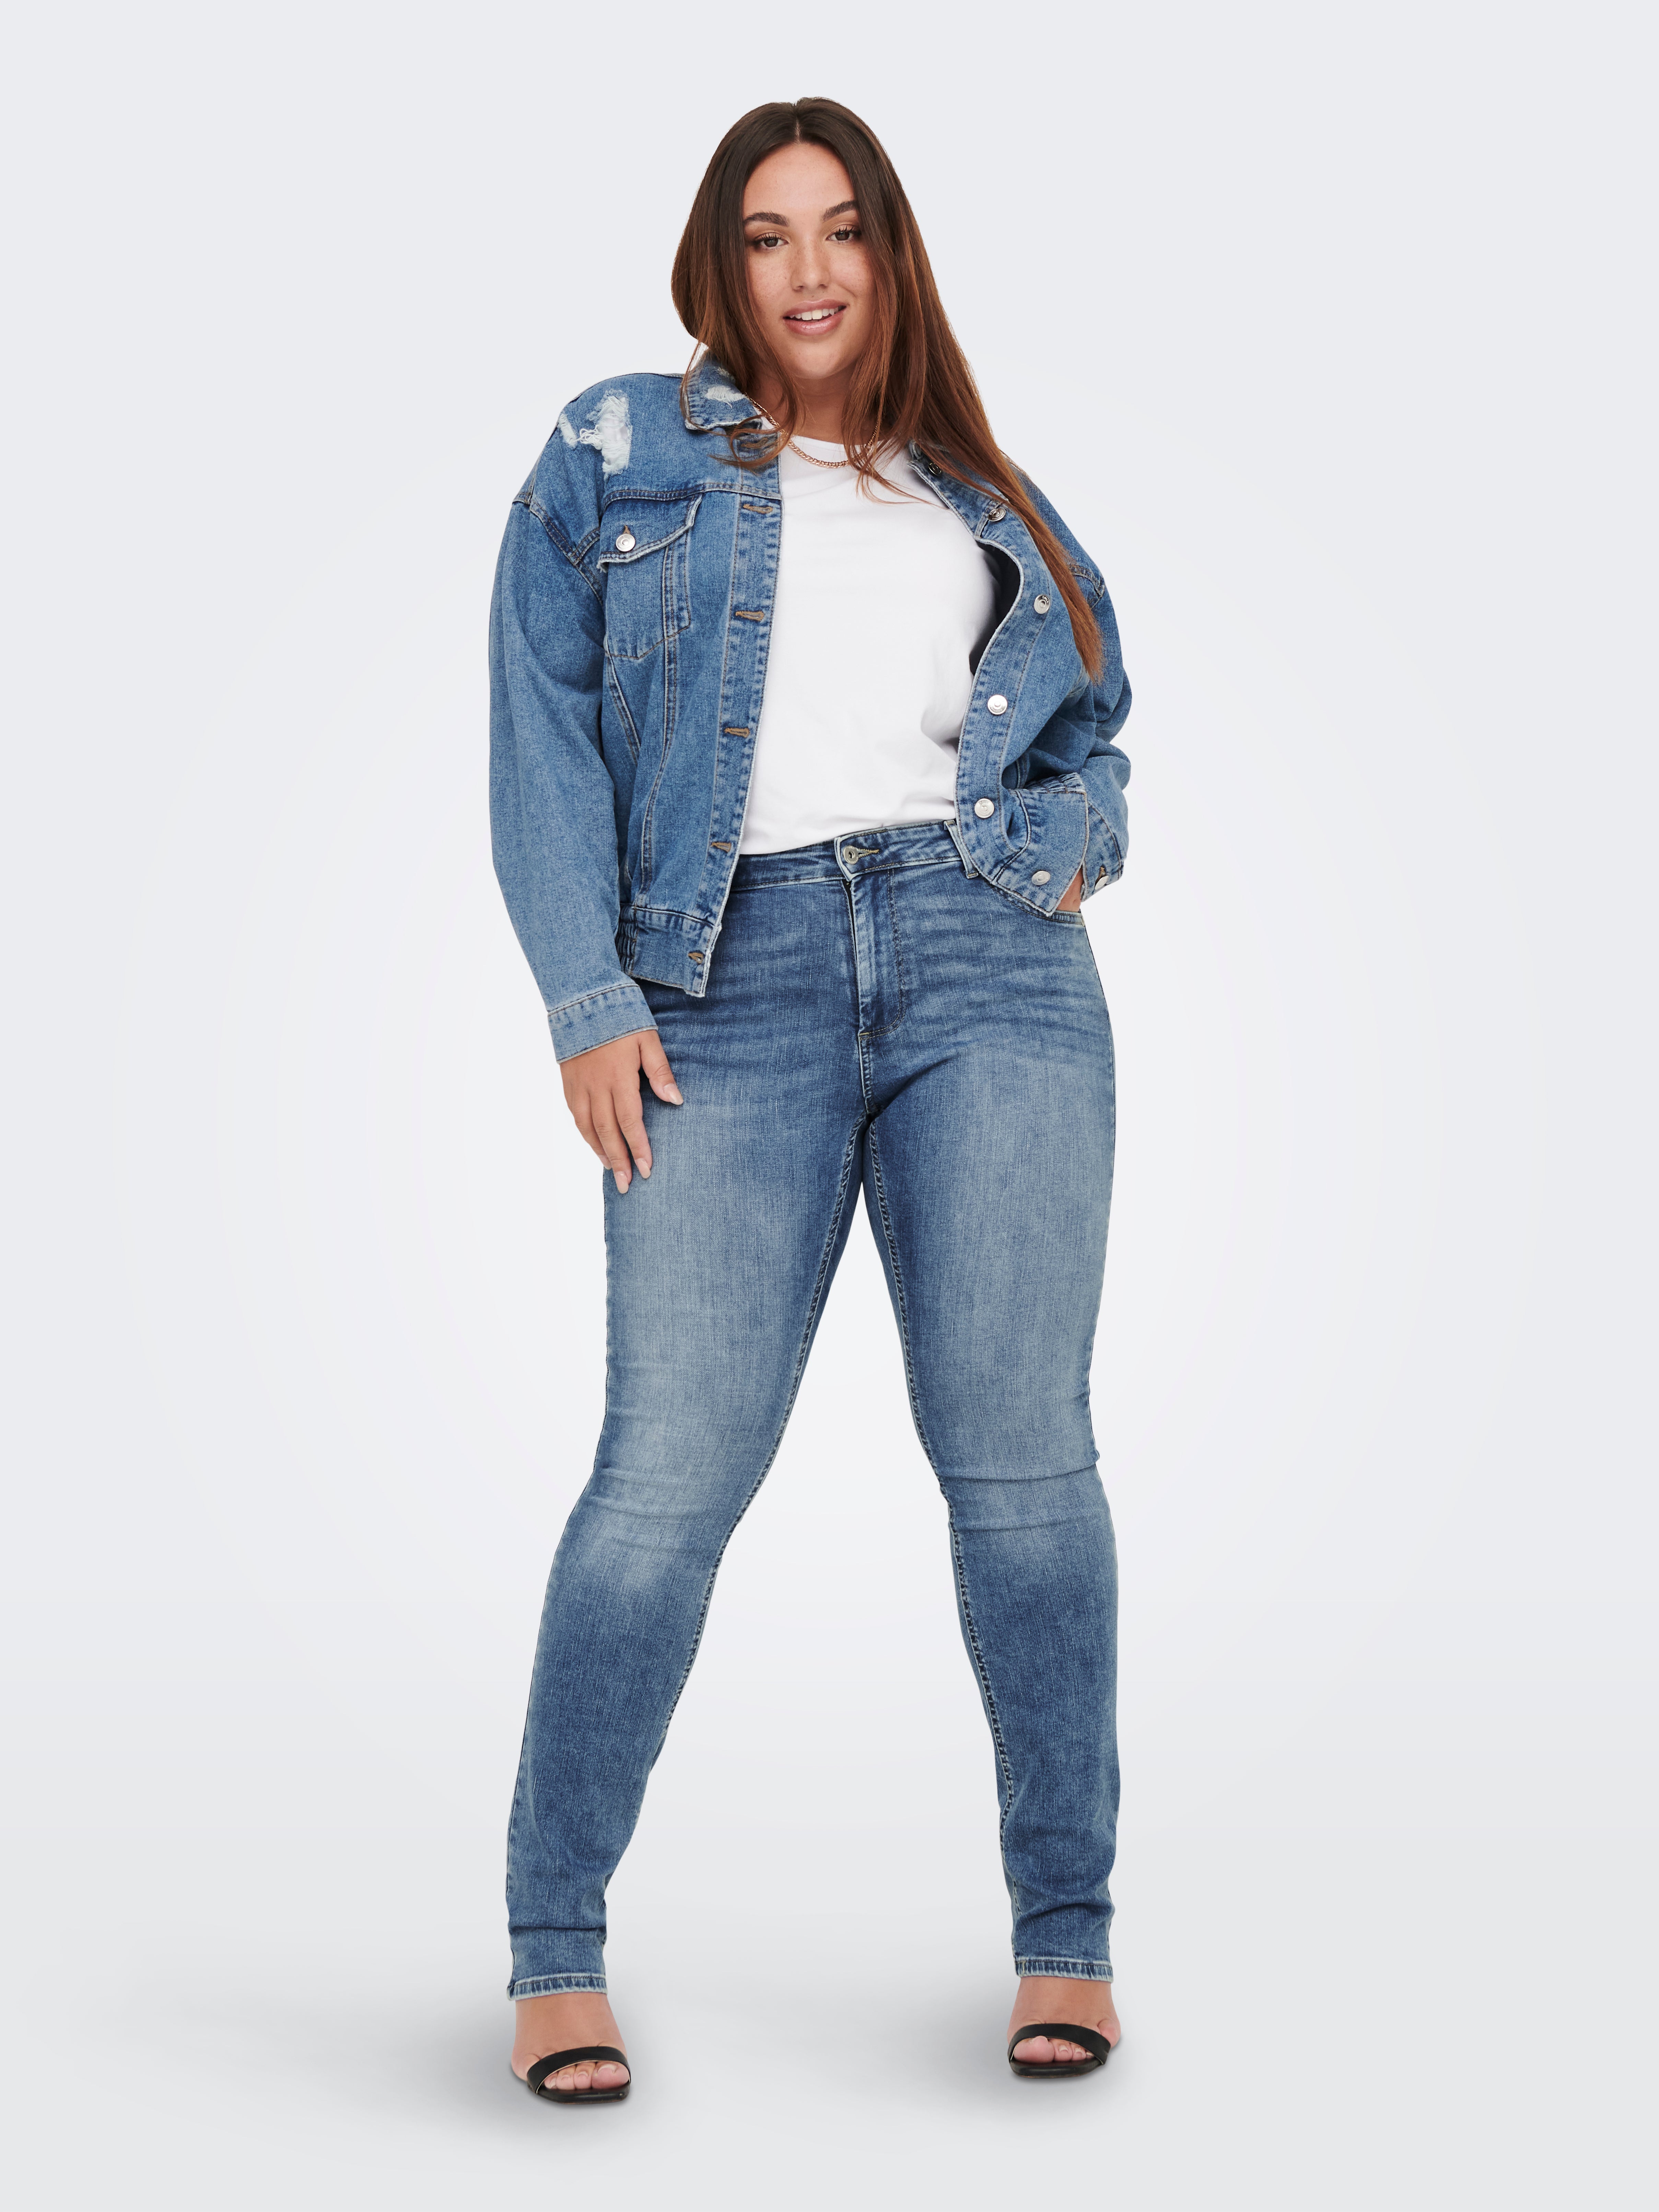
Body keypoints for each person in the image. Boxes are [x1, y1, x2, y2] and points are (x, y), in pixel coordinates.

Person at [490, 96, 1132, 2103]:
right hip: (721, 975)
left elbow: (1095, 720)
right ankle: (553, 1947)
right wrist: (587, 994)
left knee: (1022, 1468)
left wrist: (1070, 842)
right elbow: (539, 722)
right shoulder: (617, 449)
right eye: (767, 236)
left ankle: (1067, 1938)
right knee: (665, 1478)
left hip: (984, 958)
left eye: (842, 228)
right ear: (721, 264)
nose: (809, 271)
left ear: (891, 251)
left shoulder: (978, 489)